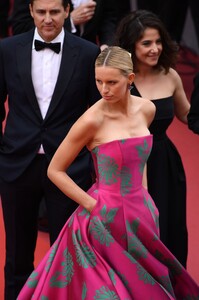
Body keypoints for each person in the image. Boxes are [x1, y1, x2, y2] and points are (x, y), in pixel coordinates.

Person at [17, 46, 199, 300]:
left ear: (130, 79)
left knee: (146, 289)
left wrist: (146, 198)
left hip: (141, 213)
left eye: (112, 82)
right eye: (99, 81)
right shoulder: (91, 120)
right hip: (102, 218)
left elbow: (138, 159)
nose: (104, 89)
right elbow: (55, 170)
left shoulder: (147, 110)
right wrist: (93, 205)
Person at [0, 0, 101, 298]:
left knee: (67, 256)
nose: (47, 19)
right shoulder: (7, 50)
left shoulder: (87, 53)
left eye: (55, 12)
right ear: (30, 10)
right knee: (16, 256)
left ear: (68, 11)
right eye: (41, 12)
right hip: (18, 164)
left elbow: (97, 113)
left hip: (70, 168)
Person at [114, 10, 190, 268]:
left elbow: (187, 116)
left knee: (171, 226)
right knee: (137, 233)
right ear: (131, 45)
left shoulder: (170, 75)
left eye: (158, 41)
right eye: (146, 43)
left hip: (165, 164)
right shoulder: (118, 81)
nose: (155, 48)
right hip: (128, 166)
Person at [11, 0, 117, 49]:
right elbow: (20, 26)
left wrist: (106, 45)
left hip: (90, 58)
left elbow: (109, 17)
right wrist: (69, 20)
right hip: (43, 53)